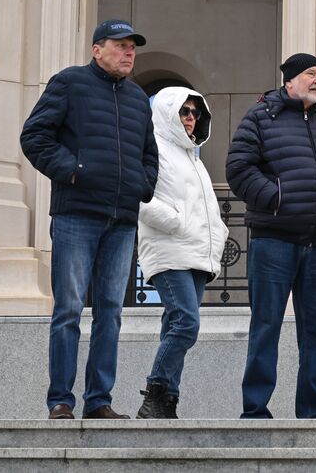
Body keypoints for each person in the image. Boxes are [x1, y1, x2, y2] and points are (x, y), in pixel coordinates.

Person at [20, 19, 159, 420]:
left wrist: (142, 185)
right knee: (68, 309)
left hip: (122, 219)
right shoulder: (69, 83)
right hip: (76, 216)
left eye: (133, 47)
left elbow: (149, 154)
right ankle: (61, 400)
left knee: (111, 311)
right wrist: (73, 170)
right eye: (121, 45)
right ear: (97, 49)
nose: (129, 53)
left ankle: (99, 401)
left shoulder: (137, 99)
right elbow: (34, 137)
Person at [225, 53, 316, 419]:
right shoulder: (261, 116)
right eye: (310, 74)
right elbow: (238, 168)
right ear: (289, 80)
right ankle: (255, 410)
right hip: (274, 242)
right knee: (265, 327)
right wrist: (276, 199)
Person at [135, 86, 228, 420]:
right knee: (187, 323)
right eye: (184, 112)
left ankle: (167, 402)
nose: (191, 119)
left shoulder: (193, 158)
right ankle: (155, 390)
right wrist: (173, 221)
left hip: (196, 255)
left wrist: (218, 232)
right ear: (167, 113)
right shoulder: (152, 148)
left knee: (175, 324)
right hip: (168, 250)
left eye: (195, 113)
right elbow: (137, 196)